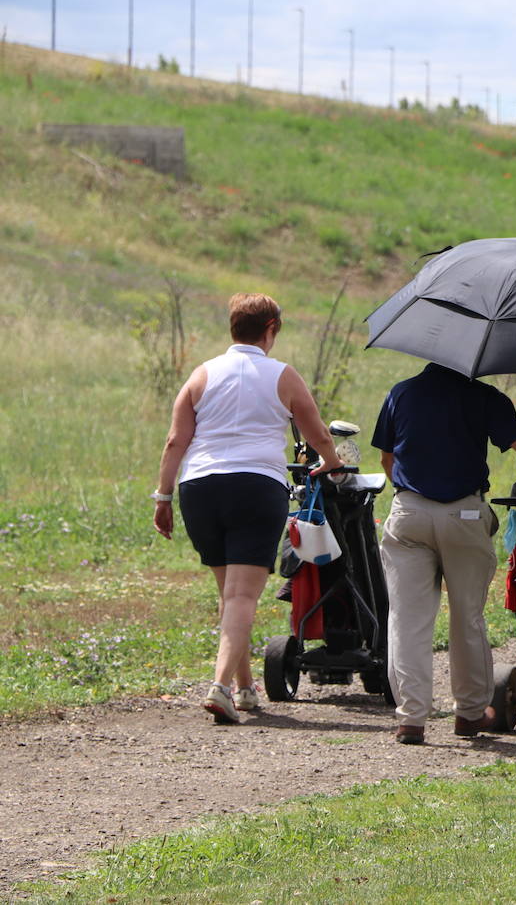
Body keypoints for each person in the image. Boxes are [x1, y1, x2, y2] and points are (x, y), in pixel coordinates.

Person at [154, 293, 344, 724]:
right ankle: (220, 687)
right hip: (255, 486)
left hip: (199, 488)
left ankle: (244, 688)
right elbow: (317, 434)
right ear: (271, 328)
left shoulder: (200, 375)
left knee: (229, 593)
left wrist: (163, 497)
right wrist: (331, 465)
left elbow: (175, 441)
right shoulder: (282, 375)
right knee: (241, 594)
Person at [372, 362, 516, 745]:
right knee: (467, 617)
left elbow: (387, 460)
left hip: (408, 513)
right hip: (464, 514)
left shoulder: (400, 392)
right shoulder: (483, 396)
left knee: (407, 619)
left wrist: (414, 494)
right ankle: (468, 714)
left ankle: (411, 718)